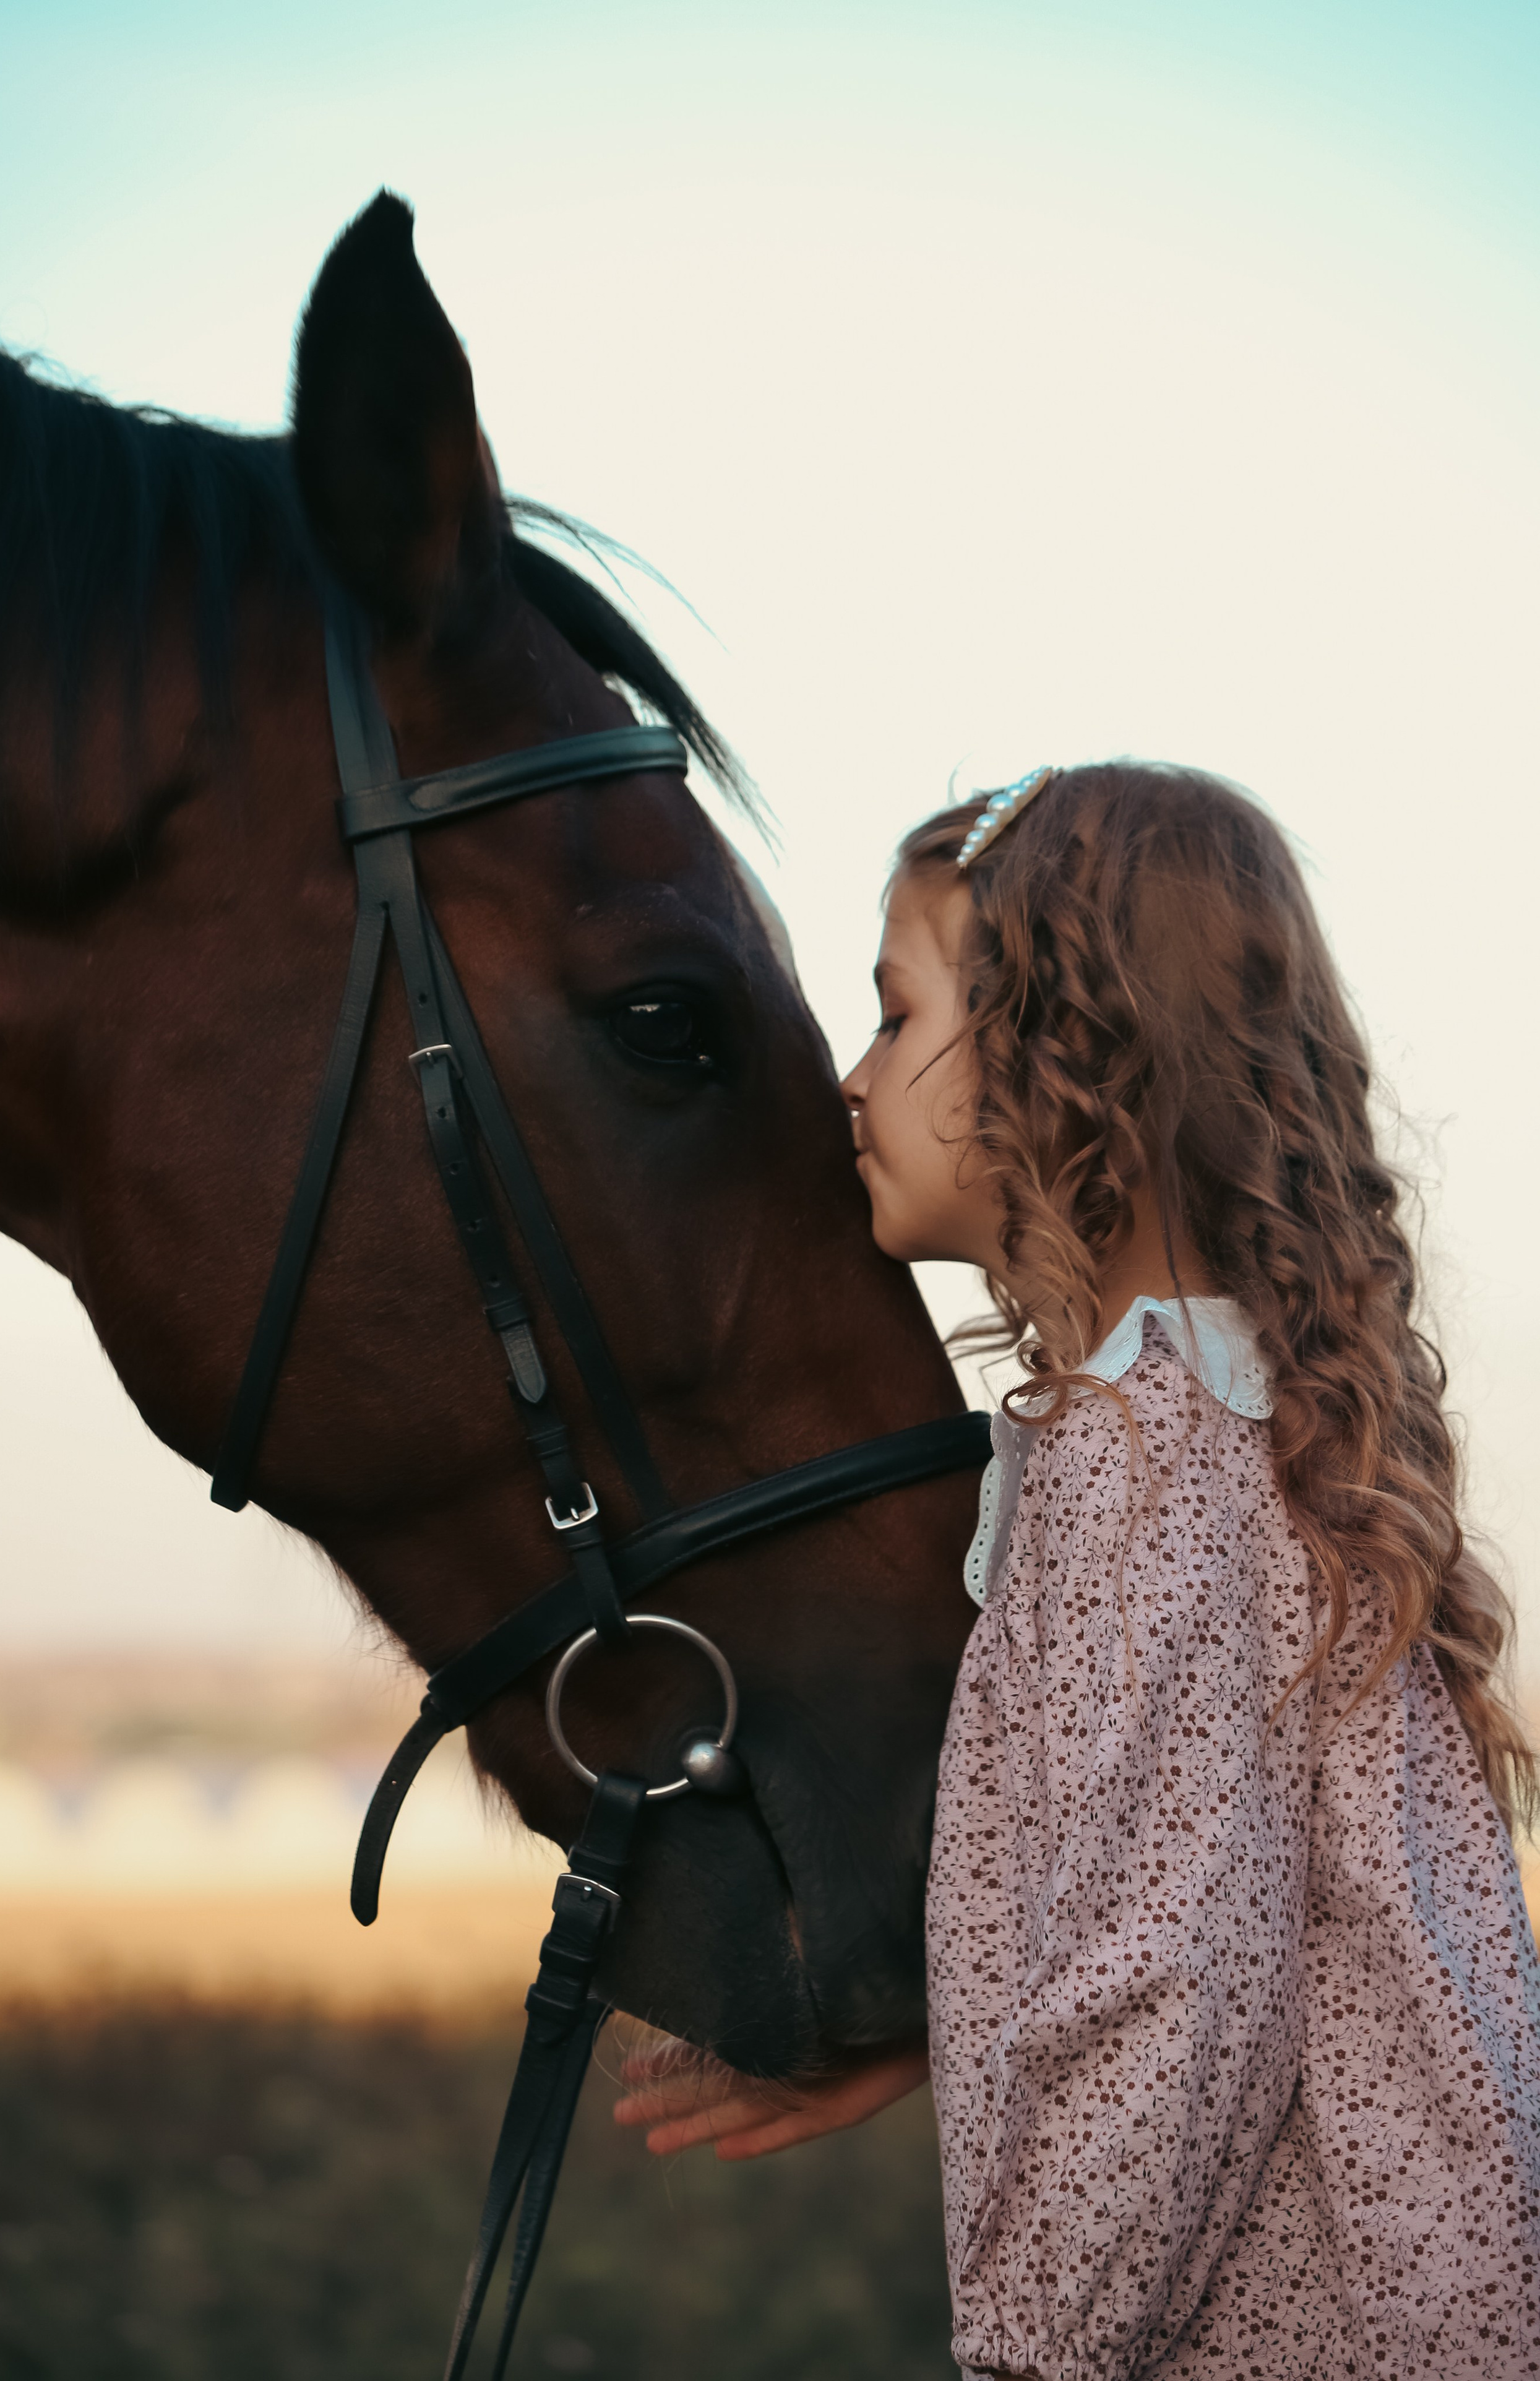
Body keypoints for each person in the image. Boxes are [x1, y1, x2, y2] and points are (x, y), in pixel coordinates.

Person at [615, 760, 1540, 2376]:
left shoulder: (1149, 1459)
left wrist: (1032, 2355)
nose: (849, 1077)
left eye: (897, 1018)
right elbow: (1234, 1919)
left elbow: (1162, 2020)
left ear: (1060, 1057)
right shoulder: (1244, 1422)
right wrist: (943, 2032)